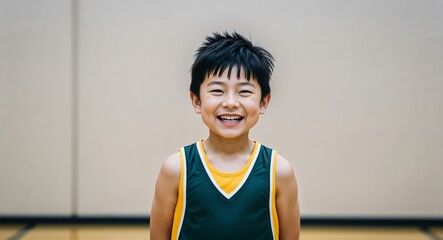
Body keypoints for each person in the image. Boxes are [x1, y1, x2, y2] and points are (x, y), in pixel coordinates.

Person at [150, 31, 300, 240]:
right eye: (218, 91)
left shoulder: (279, 171)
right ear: (196, 101)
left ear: (263, 102)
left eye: (244, 91)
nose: (230, 102)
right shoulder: (176, 168)